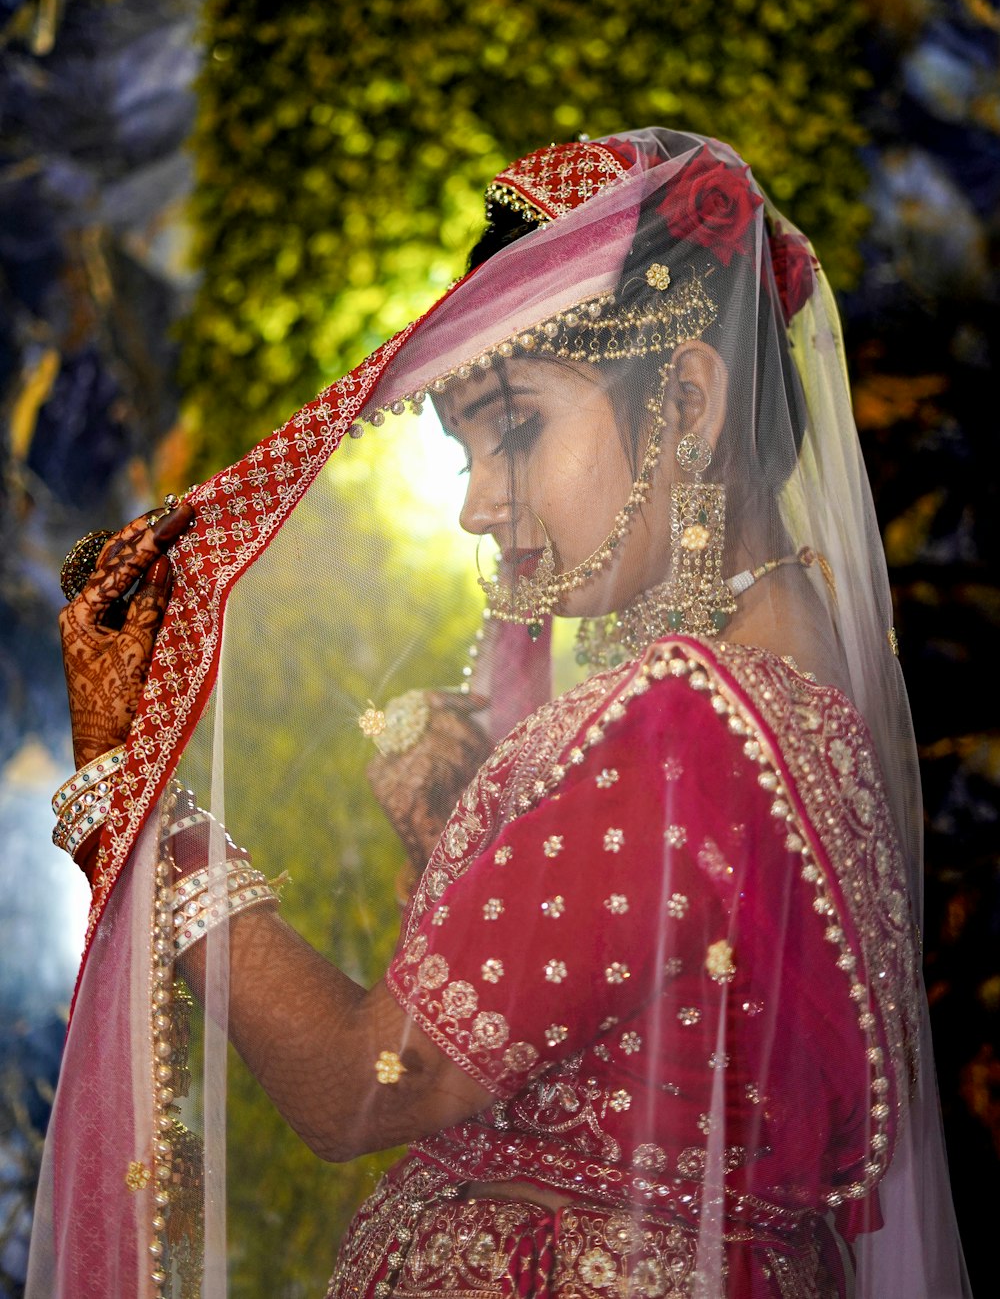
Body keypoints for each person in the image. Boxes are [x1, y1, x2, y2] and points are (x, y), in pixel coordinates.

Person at [30, 129, 970, 1298]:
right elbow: (648, 1044)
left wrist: (146, 812)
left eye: (515, 428)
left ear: (683, 395)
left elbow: (366, 1083)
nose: (478, 504)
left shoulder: (684, 715)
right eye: (465, 448)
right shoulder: (794, 685)